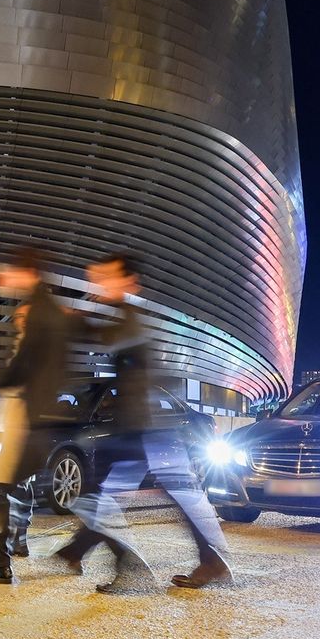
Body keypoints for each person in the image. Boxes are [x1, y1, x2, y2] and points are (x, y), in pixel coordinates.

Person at [58, 253, 232, 593]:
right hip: (140, 427)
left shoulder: (131, 320)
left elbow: (108, 338)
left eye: (106, 278)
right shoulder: (127, 317)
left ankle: (205, 562)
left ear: (127, 282)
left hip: (141, 428)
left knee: (124, 494)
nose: (99, 284)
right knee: (113, 494)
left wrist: (75, 318)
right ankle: (80, 551)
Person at [0, 252, 83, 584]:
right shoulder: (45, 308)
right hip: (25, 412)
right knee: (8, 486)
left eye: (9, 273)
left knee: (6, 486)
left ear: (27, 272)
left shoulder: (41, 311)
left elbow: (22, 366)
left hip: (24, 414)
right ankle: (0, 559)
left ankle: (1, 560)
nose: (3, 279)